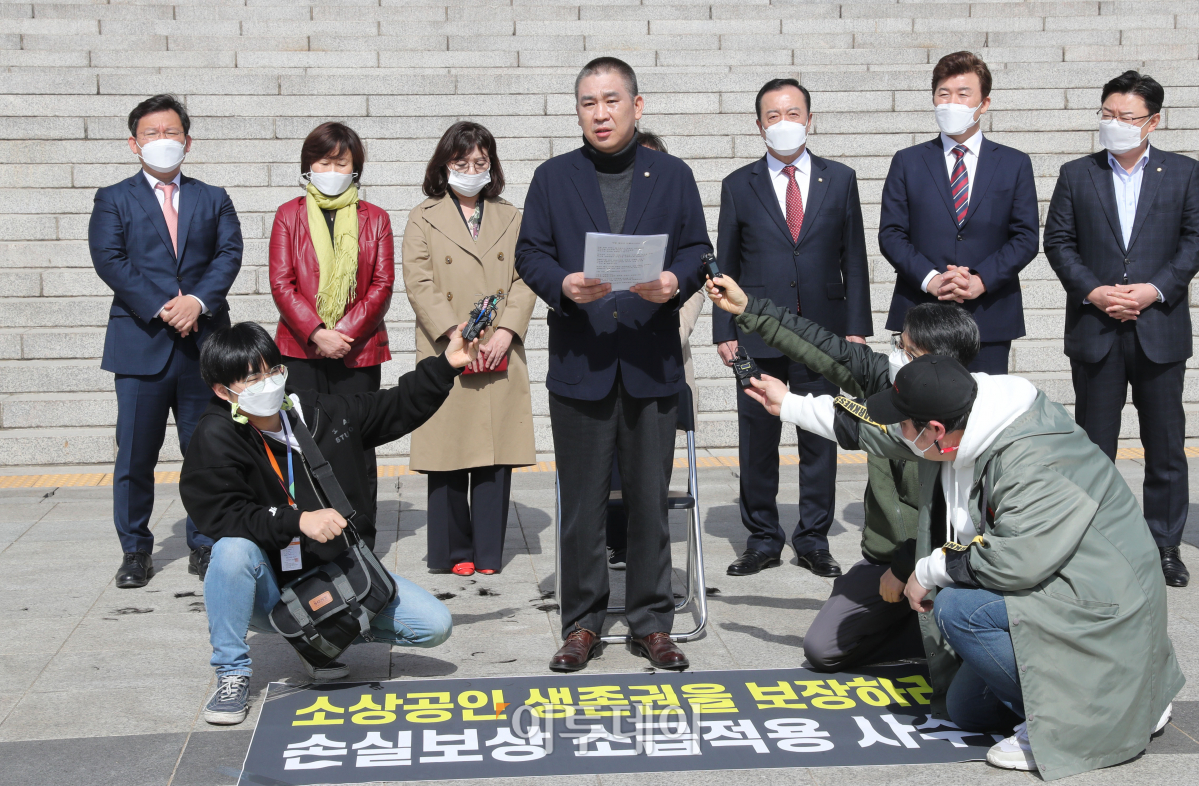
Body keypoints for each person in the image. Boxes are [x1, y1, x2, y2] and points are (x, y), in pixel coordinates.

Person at [743, 353, 1181, 779]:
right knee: (966, 709)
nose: (900, 430)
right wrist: (790, 405)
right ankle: (1117, 694)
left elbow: (1016, 561)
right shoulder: (967, 420)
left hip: (1098, 599)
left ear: (935, 430)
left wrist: (930, 569)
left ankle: (1100, 713)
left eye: (906, 423)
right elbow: (880, 433)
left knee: (958, 609)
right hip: (1056, 582)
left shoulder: (1032, 456)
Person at [515, 57, 711, 672]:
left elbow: (698, 248)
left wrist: (676, 280)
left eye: (610, 101)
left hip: (651, 363)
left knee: (650, 500)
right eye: (587, 103)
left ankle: (653, 622)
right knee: (582, 503)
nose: (599, 114)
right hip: (583, 361)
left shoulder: (673, 175)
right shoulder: (553, 177)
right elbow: (530, 252)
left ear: (636, 105)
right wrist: (562, 284)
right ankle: (582, 623)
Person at [180, 321, 475, 725]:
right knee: (231, 549)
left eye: (273, 371)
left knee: (434, 626)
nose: (268, 383)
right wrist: (297, 520)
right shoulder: (216, 435)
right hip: (270, 586)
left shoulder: (317, 411)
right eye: (252, 378)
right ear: (222, 390)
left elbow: (394, 406)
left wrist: (446, 366)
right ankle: (232, 673)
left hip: (336, 574)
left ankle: (318, 640)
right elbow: (222, 513)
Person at [704, 273, 979, 671]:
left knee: (963, 673)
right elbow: (821, 346)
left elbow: (956, 525)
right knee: (824, 648)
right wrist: (750, 308)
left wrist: (909, 567)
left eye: (905, 347)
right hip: (886, 560)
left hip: (945, 560)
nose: (895, 353)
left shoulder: (964, 422)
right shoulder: (888, 379)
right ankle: (919, 635)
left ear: (933, 361)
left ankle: (942, 632)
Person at [1044, 71, 1199, 588]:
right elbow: (1059, 242)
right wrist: (1095, 291)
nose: (1115, 125)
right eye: (1107, 114)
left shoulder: (1183, 173)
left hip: (1160, 325)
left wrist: (1154, 290)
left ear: (1153, 121)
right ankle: (1094, 544)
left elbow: (1194, 242)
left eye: (1127, 117)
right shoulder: (1076, 173)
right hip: (1096, 327)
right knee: (1093, 445)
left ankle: (1164, 545)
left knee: (1166, 445)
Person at [713, 78, 872, 580]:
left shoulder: (840, 179)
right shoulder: (739, 185)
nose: (785, 123)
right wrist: (724, 327)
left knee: (819, 435)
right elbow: (725, 264)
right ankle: (762, 537)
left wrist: (855, 329)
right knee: (757, 438)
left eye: (793, 113)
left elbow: (856, 258)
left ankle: (813, 538)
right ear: (759, 125)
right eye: (773, 115)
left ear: (811, 118)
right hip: (755, 331)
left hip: (822, 333)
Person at [89, 94, 243, 588]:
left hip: (204, 348)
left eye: (171, 132)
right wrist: (164, 304)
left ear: (188, 141)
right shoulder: (113, 198)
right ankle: (135, 550)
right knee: (135, 456)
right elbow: (110, 260)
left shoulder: (213, 196)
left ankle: (205, 542)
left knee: (207, 451)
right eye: (152, 134)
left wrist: (197, 302)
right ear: (134, 143)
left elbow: (229, 253)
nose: (163, 141)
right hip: (141, 345)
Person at [403, 121, 537, 577]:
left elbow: (525, 280)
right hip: (449, 346)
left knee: (494, 456)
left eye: (480, 162)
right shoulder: (422, 217)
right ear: (444, 167)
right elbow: (419, 283)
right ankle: (451, 551)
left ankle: (489, 552)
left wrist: (505, 333)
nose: (471, 170)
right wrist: (456, 333)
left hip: (499, 347)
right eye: (461, 163)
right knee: (447, 451)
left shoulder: (512, 217)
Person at [879, 51, 1039, 375]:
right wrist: (932, 280)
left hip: (989, 314)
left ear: (984, 103)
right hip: (922, 315)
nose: (952, 102)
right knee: (923, 415)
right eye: (943, 94)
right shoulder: (908, 161)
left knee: (984, 414)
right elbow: (891, 234)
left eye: (963, 94)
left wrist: (981, 280)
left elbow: (1026, 237)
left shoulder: (1014, 163)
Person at [269, 122, 394, 524]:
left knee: (358, 442)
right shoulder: (289, 216)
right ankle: (312, 527)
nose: (333, 170)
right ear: (309, 165)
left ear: (356, 168)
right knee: (305, 441)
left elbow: (382, 284)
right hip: (301, 350)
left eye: (342, 162)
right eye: (325, 161)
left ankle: (362, 530)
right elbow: (281, 281)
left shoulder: (375, 218)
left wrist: (344, 334)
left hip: (357, 352)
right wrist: (318, 333)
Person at [604, 129, 703, 570]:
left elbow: (695, 278)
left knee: (648, 473)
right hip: (606, 355)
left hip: (662, 355)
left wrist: (662, 323)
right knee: (607, 470)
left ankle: (646, 556)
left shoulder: (674, 203)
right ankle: (615, 540)